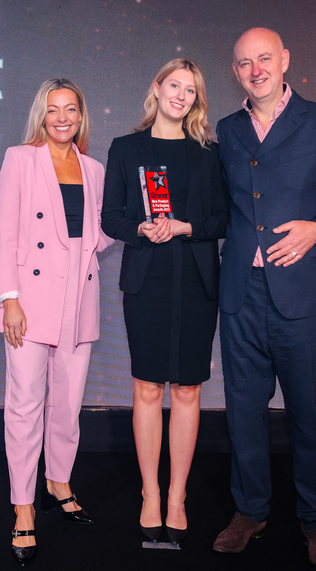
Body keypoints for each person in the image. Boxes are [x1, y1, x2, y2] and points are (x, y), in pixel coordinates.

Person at [212, 28, 316, 568]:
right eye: (244, 62)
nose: (255, 69)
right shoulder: (227, 130)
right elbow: (222, 205)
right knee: (243, 414)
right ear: (235, 72)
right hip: (241, 294)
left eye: (264, 58)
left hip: (302, 291)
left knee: (308, 414)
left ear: (284, 60)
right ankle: (250, 510)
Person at [0, 78, 113, 567]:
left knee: (68, 403)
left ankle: (58, 481)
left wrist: (133, 227)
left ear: (81, 115)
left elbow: (99, 232)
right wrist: (10, 299)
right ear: (42, 114)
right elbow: (5, 233)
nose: (62, 118)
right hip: (30, 300)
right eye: (54, 109)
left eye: (71, 109)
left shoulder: (93, 168)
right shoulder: (21, 159)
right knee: (24, 404)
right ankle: (23, 506)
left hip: (78, 296)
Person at [101, 59, 228, 545]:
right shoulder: (126, 148)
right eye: (174, 85)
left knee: (188, 390)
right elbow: (111, 217)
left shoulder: (209, 153)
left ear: (197, 99)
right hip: (147, 282)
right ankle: (150, 493)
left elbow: (224, 218)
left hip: (196, 282)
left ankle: (178, 495)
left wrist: (185, 226)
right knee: (148, 388)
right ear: (156, 88)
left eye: (190, 90)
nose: (181, 95)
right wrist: (140, 227)